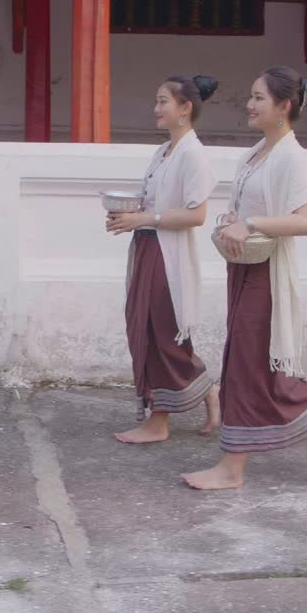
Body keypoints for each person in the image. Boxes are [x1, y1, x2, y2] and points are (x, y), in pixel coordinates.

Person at [182, 66, 307, 490]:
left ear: (283, 107)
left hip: (268, 273)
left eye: (259, 98)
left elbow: (304, 222)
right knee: (253, 365)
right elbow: (251, 210)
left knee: (244, 365)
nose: (249, 104)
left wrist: (250, 224)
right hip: (243, 268)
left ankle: (232, 468)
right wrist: (234, 221)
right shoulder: (255, 153)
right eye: (251, 96)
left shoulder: (292, 156)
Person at [106, 75, 222, 444]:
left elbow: (196, 215)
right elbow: (154, 203)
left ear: (185, 108)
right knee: (145, 327)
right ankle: (207, 390)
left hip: (167, 255)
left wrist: (144, 218)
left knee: (161, 332)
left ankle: (159, 421)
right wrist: (128, 214)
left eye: (163, 102)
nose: (156, 109)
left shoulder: (193, 154)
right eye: (156, 102)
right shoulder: (164, 151)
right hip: (148, 247)